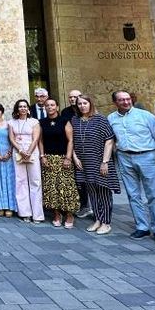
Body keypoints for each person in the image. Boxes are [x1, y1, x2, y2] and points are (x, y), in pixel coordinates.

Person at [108, 90, 155, 245]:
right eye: (121, 100)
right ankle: (142, 226)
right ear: (115, 102)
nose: (126, 102)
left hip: (146, 155)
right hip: (124, 156)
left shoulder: (146, 116)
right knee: (133, 194)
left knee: (153, 195)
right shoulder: (111, 118)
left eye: (127, 99)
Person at [67, 94, 119, 235]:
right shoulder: (75, 120)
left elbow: (109, 140)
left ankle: (106, 222)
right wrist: (75, 157)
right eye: (79, 104)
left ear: (90, 104)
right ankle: (97, 219)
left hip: (99, 161)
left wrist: (105, 162)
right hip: (83, 163)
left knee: (103, 191)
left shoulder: (100, 119)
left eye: (85, 103)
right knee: (92, 193)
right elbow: (73, 140)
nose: (82, 106)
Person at [38, 99, 79, 228]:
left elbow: (70, 140)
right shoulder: (41, 122)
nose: (50, 107)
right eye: (47, 106)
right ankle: (56, 214)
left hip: (63, 158)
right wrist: (42, 156)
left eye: (52, 105)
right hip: (48, 158)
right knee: (51, 188)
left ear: (57, 107)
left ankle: (69, 214)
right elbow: (40, 141)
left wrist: (68, 157)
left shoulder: (64, 121)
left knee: (66, 186)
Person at [9, 99, 44, 223]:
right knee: (21, 182)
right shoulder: (12, 122)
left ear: (28, 108)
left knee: (35, 182)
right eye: (20, 106)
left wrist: (28, 152)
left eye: (25, 106)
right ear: (17, 109)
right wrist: (20, 150)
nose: (23, 108)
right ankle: (25, 213)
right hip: (18, 152)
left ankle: (37, 214)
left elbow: (36, 139)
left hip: (32, 151)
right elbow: (11, 138)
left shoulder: (34, 122)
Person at [61, 89, 91, 219]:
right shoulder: (66, 112)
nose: (73, 99)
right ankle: (80, 204)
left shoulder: (89, 113)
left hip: (88, 150)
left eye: (75, 97)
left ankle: (89, 206)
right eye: (70, 97)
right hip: (72, 149)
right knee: (77, 179)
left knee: (89, 179)